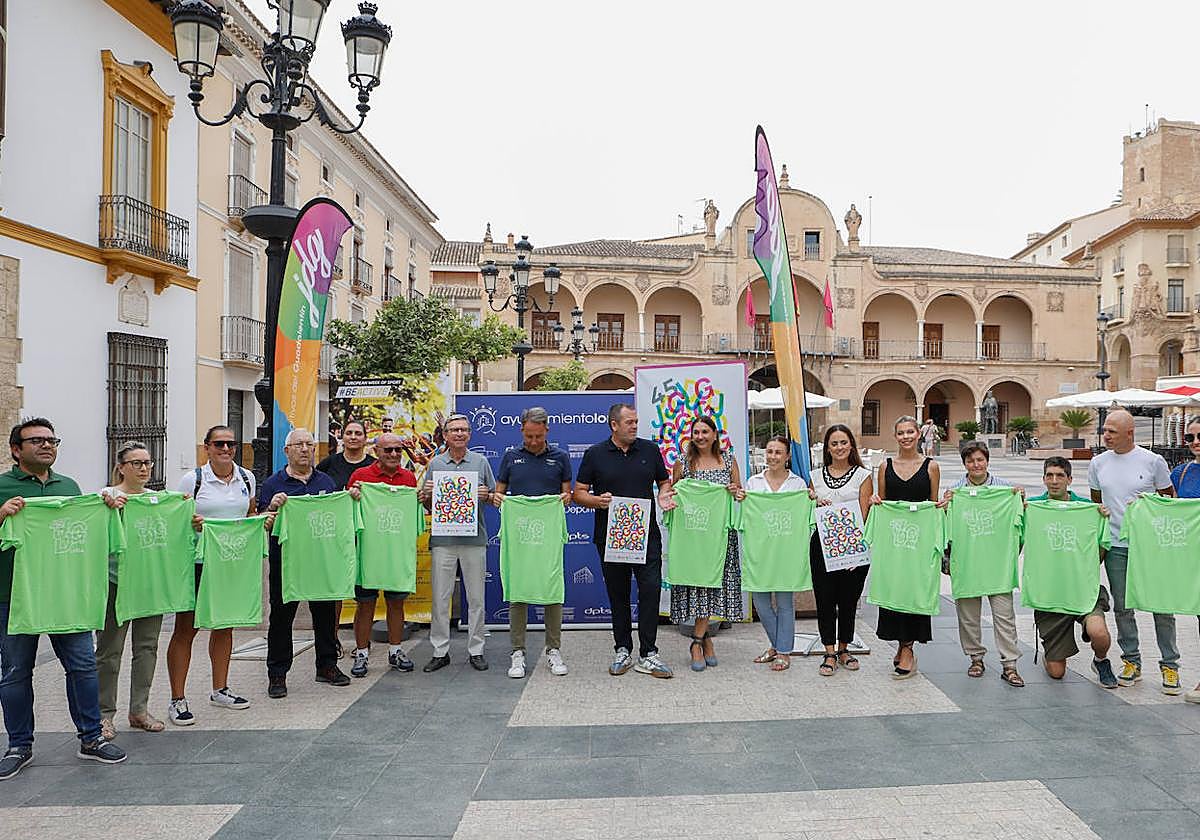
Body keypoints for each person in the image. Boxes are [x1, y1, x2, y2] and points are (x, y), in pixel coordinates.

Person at [0, 418, 126, 780]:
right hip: (13, 595)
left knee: (83, 666)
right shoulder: (3, 486)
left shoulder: (69, 487)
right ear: (16, 449)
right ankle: (18, 745)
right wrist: (2, 514)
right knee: (15, 672)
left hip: (66, 593)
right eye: (36, 440)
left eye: (51, 440)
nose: (46, 445)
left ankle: (91, 738)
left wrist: (105, 505)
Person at [575, 404, 675, 679]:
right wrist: (597, 501)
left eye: (636, 422)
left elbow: (664, 481)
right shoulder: (595, 454)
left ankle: (649, 653)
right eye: (629, 422)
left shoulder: (650, 450)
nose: (634, 426)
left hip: (646, 535)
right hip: (611, 536)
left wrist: (664, 494)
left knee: (651, 590)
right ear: (614, 425)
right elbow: (578, 493)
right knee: (617, 594)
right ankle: (622, 649)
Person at [166, 425, 255, 726]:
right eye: (219, 444)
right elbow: (177, 520)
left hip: (231, 563)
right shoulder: (193, 480)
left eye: (231, 444)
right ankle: (177, 699)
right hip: (198, 563)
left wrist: (260, 522)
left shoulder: (247, 478)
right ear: (207, 447)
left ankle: (220, 689)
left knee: (225, 626)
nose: (226, 449)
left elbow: (249, 514)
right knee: (186, 629)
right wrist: (191, 524)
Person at [1087, 409, 1179, 694]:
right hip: (1116, 546)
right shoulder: (1098, 463)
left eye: (1112, 431)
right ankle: (1131, 661)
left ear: (1130, 433)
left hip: (1149, 547)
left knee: (1161, 606)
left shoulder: (1153, 461)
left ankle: (1170, 665)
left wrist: (1147, 504)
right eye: (1105, 430)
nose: (1106, 435)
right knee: (1123, 607)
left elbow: (1169, 499)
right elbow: (1096, 502)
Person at [261, 428, 347, 698]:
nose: (304, 449)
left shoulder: (326, 482)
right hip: (286, 562)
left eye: (309, 444)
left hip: (320, 559)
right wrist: (272, 508)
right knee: (281, 618)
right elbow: (262, 522)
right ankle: (277, 674)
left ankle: (327, 665)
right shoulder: (273, 484)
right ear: (286, 451)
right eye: (298, 444)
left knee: (325, 615)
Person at [493, 407, 572, 679]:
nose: (534, 441)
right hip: (519, 535)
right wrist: (498, 499)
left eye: (538, 436)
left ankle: (554, 649)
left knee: (552, 588)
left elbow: (567, 495)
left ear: (547, 430)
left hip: (547, 535)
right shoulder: (510, 457)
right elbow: (499, 494)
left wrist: (565, 499)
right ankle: (517, 652)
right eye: (529, 436)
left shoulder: (561, 457)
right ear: (522, 431)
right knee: (518, 589)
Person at [95, 442, 167, 739]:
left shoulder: (157, 500)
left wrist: (189, 516)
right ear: (121, 467)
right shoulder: (105, 497)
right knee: (109, 651)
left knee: (147, 647)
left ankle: (139, 709)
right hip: (116, 583)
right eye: (136, 463)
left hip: (148, 583)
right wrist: (107, 506)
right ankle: (103, 715)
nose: (144, 468)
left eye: (147, 462)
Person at [940, 442, 1025, 687]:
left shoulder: (1005, 491)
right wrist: (945, 507)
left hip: (997, 565)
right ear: (964, 464)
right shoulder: (955, 492)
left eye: (980, 460)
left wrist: (1019, 499)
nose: (976, 465)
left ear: (987, 461)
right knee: (968, 616)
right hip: (967, 562)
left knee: (1004, 616)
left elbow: (1020, 525)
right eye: (970, 461)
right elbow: (944, 528)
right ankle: (975, 658)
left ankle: (1010, 665)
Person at [1028, 457, 1118, 689]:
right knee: (1056, 672)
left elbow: (1102, 548)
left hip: (1082, 590)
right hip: (1050, 594)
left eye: (1060, 476)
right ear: (1043, 479)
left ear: (1070, 479)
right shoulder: (1032, 507)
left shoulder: (1088, 509)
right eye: (1049, 475)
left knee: (1099, 633)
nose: (1054, 481)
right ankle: (1052, 651)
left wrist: (1101, 518)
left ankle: (1101, 660)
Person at [419, 413, 495, 673]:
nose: (459, 433)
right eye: (454, 430)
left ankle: (476, 650)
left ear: (470, 434)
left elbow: (494, 497)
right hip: (443, 541)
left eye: (464, 429)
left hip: (474, 540)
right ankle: (440, 651)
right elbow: (428, 505)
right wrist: (427, 495)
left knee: (476, 598)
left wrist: (486, 495)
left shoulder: (481, 462)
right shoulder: (436, 464)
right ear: (445, 435)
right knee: (440, 598)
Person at [669, 416, 742, 672]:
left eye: (705, 432)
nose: (700, 436)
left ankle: (698, 641)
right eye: (696, 432)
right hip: (693, 538)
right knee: (699, 587)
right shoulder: (683, 462)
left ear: (714, 435)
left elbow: (739, 494)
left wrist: (734, 492)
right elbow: (672, 495)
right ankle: (703, 640)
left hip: (720, 536)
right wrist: (674, 495)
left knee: (713, 587)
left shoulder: (729, 460)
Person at [870, 415, 940, 679]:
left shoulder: (931, 467)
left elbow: (933, 506)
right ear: (895, 436)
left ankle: (908, 647)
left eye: (910, 432)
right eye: (901, 433)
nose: (906, 437)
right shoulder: (885, 467)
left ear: (918, 434)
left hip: (919, 544)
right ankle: (901, 643)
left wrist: (941, 506)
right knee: (895, 589)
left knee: (915, 589)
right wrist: (876, 502)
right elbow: (882, 501)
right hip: (894, 543)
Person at [345, 432, 418, 677]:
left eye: (398, 450)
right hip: (368, 553)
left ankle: (395, 651)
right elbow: (348, 511)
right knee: (365, 605)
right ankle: (361, 653)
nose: (394, 454)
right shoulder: (360, 476)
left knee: (396, 603)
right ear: (376, 451)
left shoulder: (409, 478)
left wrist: (420, 498)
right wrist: (352, 496)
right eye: (388, 450)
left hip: (396, 553)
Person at [736, 435, 809, 672]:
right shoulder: (753, 483)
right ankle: (778, 645)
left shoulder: (798, 485)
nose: (773, 456)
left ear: (787, 456)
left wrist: (811, 500)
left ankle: (783, 651)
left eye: (778, 452)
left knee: (785, 603)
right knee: (761, 603)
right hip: (760, 553)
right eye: (769, 451)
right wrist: (740, 499)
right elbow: (743, 514)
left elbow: (806, 516)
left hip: (787, 553)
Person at [809, 425, 873, 677]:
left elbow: (864, 514)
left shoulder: (863, 476)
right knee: (824, 599)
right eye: (834, 443)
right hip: (822, 545)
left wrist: (854, 550)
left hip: (852, 546)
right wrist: (813, 500)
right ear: (827, 448)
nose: (839, 447)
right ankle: (828, 651)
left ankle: (844, 648)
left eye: (843, 442)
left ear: (851, 445)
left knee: (848, 600)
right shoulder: (815, 477)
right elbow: (809, 508)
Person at [316, 419, 374, 656]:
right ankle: (332, 641)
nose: (353, 437)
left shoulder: (373, 465)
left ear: (365, 438)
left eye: (358, 433)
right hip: (336, 537)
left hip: (366, 537)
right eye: (349, 433)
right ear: (342, 437)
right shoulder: (329, 464)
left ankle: (362, 643)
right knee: (336, 593)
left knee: (364, 595)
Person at [1169, 416, 1200, 703]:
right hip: (1192, 557)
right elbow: (1171, 511)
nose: (1195, 442)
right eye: (1190, 437)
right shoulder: (1180, 473)